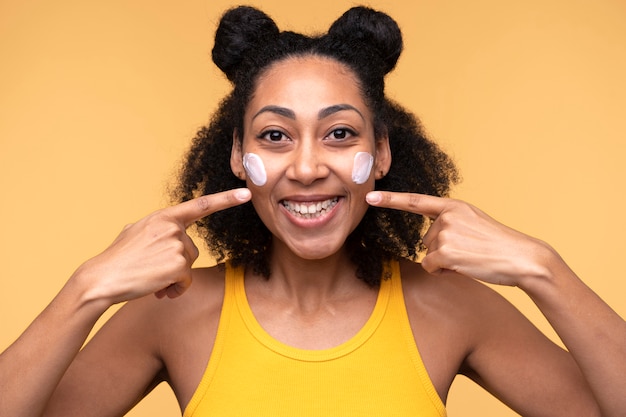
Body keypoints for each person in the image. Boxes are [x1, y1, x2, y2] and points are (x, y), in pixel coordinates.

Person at [1, 5, 625, 417]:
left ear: (381, 153)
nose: (305, 167)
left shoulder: (449, 303)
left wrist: (547, 270)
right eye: (274, 136)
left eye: (339, 134)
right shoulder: (172, 310)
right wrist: (84, 291)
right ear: (238, 156)